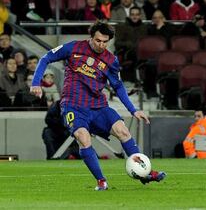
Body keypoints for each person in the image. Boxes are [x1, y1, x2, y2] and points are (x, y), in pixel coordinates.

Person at [30, 21, 166, 190]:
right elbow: (46, 58)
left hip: (98, 106)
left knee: (123, 131)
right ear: (91, 37)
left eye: (105, 41)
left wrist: (133, 110)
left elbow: (118, 86)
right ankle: (101, 181)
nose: (101, 45)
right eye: (98, 40)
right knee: (82, 137)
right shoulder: (73, 48)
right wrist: (36, 83)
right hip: (73, 106)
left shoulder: (111, 60)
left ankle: (145, 173)